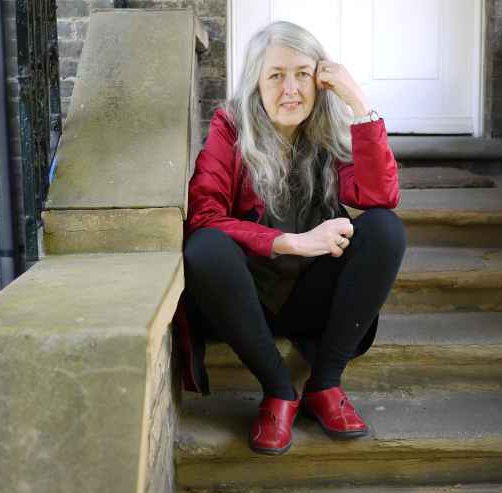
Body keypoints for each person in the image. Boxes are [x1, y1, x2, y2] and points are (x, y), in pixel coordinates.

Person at [173, 20, 405, 456]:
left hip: (310, 299)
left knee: (385, 229)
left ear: (320, 81)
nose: (291, 89)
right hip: (244, 301)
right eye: (276, 76)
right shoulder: (231, 128)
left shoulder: (327, 129)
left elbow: (381, 195)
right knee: (204, 248)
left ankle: (325, 385)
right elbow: (203, 216)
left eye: (302, 74)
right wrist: (291, 241)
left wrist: (357, 100)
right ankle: (279, 391)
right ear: (256, 84)